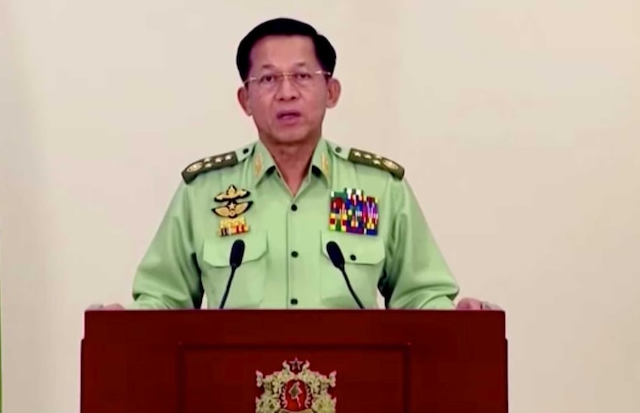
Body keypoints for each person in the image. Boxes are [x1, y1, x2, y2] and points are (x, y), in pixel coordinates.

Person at [95, 18, 497, 312]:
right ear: (244, 100)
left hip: (356, 390)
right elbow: (164, 299)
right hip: (231, 391)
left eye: (303, 76)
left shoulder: (380, 188)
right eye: (268, 80)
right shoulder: (203, 192)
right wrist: (124, 324)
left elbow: (418, 296)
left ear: (331, 91)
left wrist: (455, 318)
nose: (286, 93)